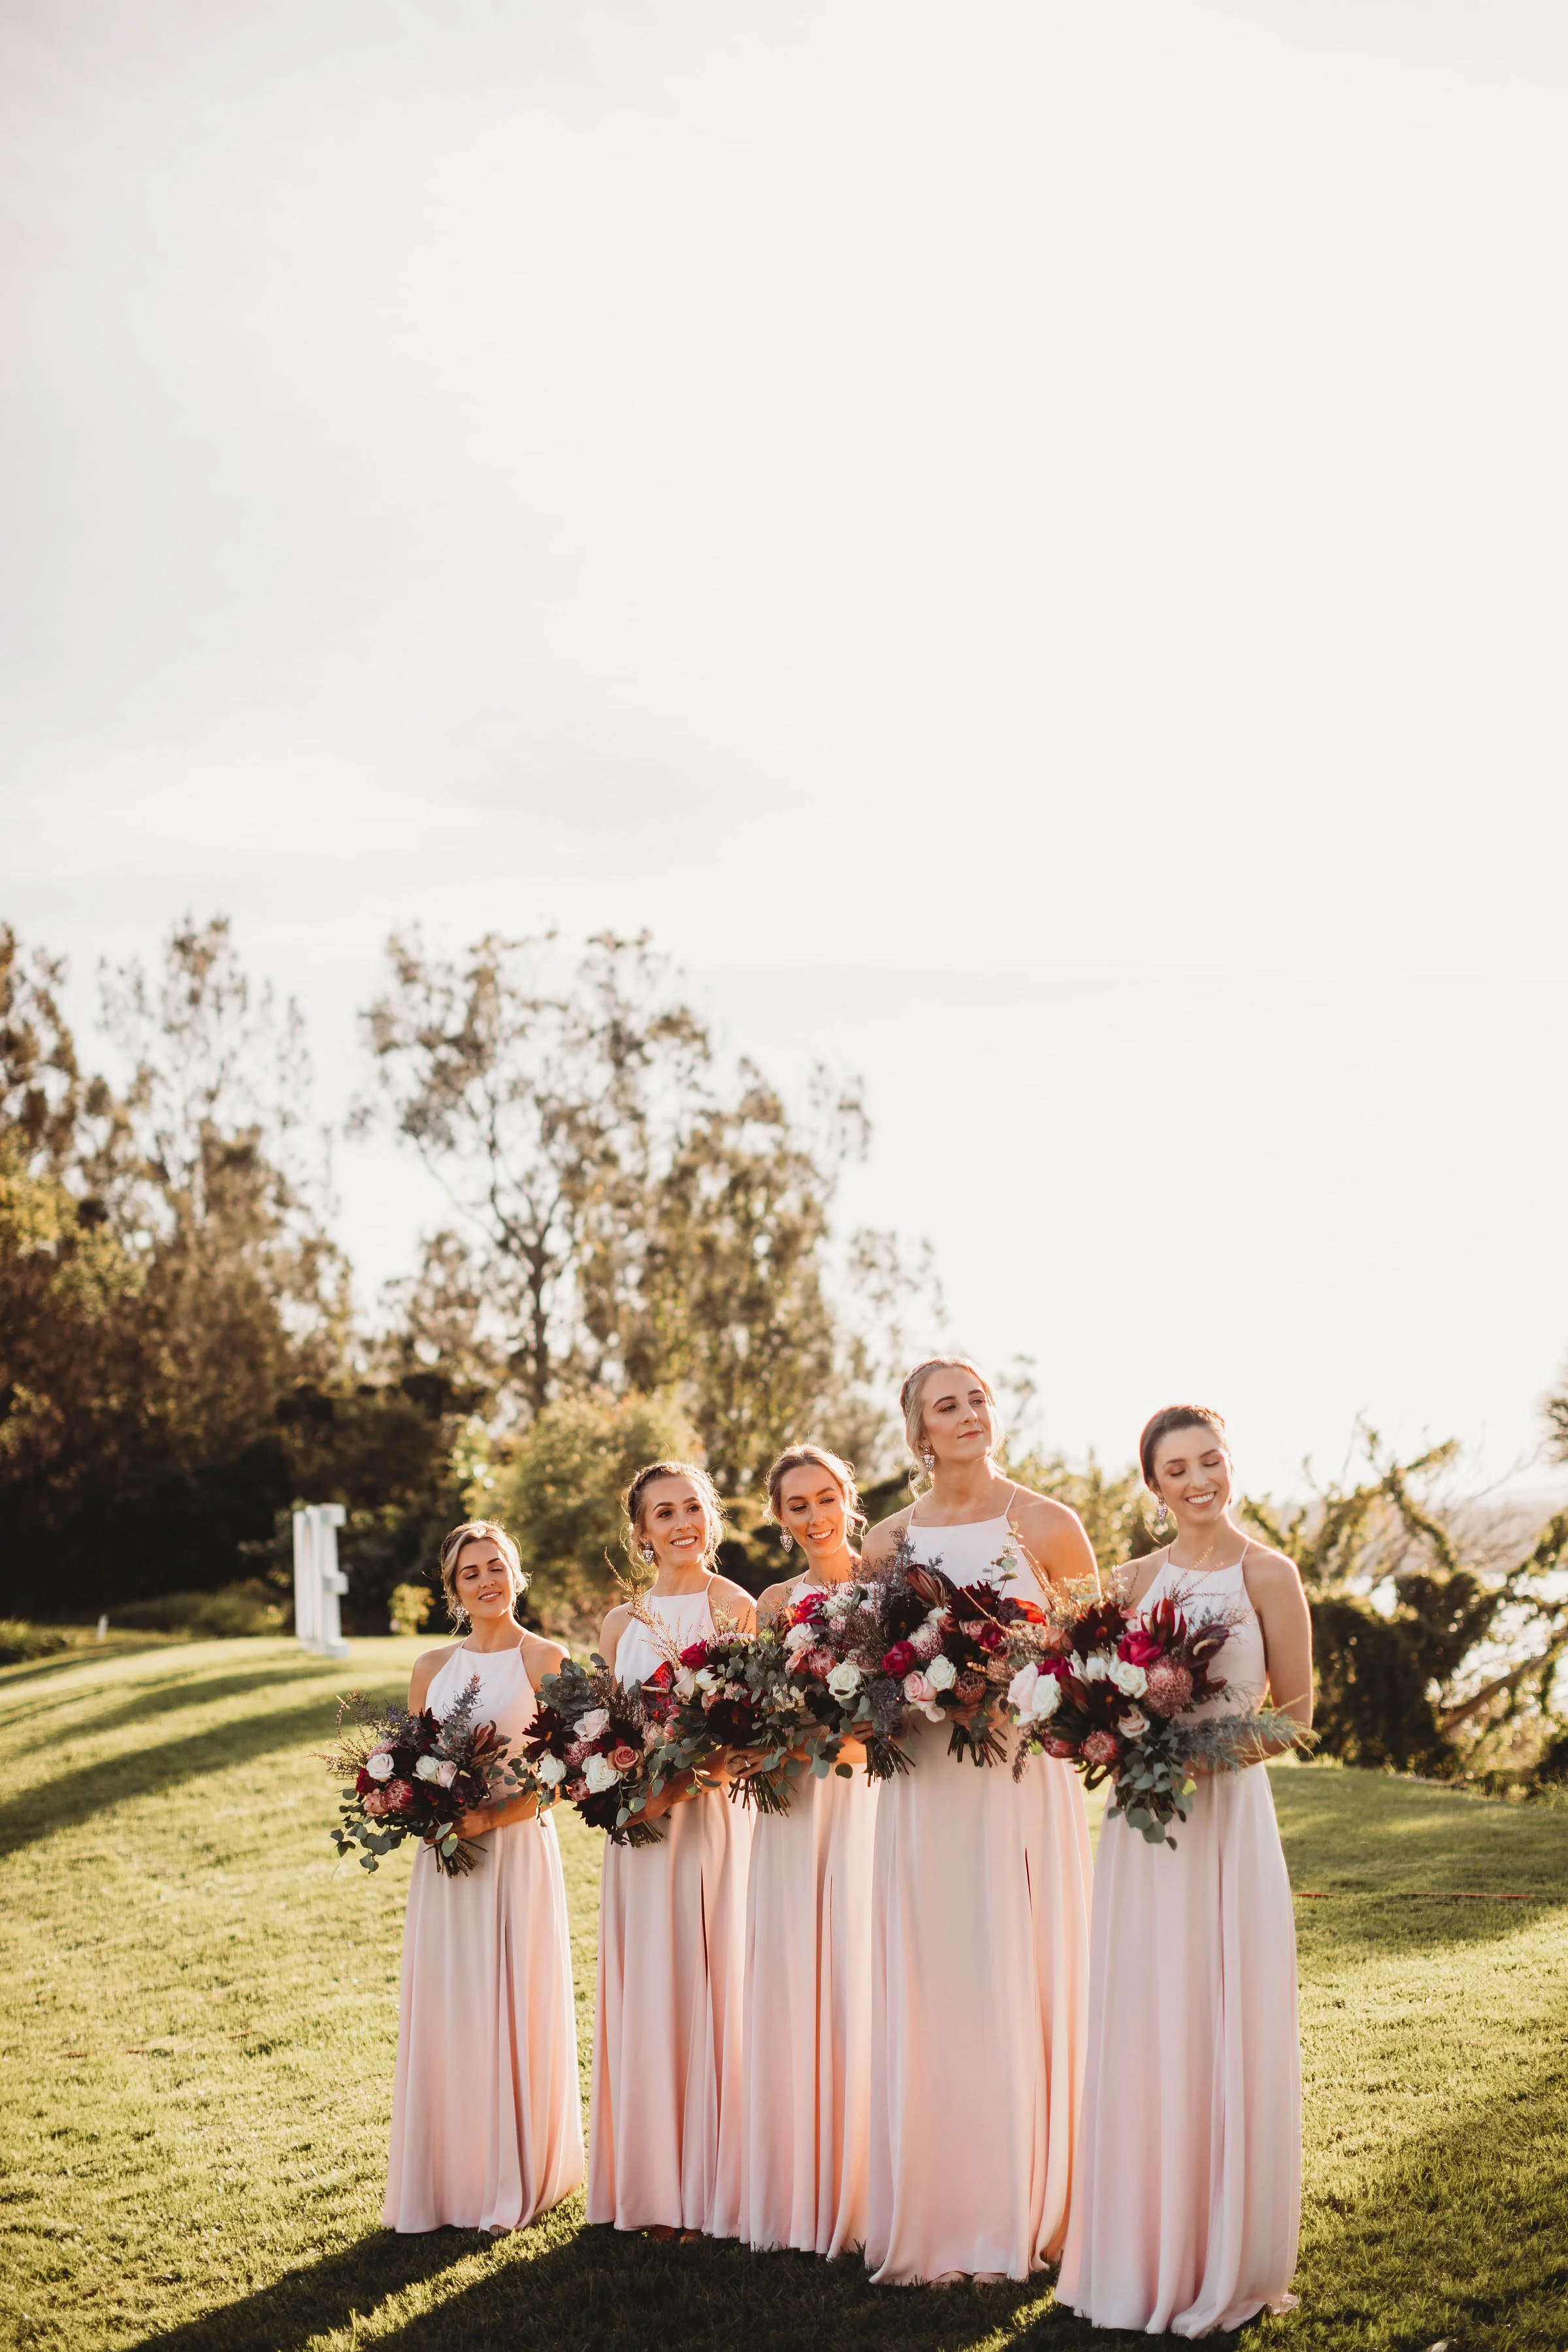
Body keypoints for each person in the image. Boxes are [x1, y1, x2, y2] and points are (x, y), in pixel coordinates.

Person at [1058, 1403, 1311, 2336]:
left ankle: (1224, 2249)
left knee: (1224, 2009)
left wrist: (1201, 1759)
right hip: (1142, 1827)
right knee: (1146, 2014)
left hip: (1230, 1818)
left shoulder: (1269, 1573)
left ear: (1229, 1465)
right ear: (1154, 1486)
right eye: (1178, 1469)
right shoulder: (1127, 1580)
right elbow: (1086, 1688)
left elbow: (1295, 1714)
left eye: (1210, 1460)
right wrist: (1103, 1730)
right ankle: (1137, 2245)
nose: (1198, 1479)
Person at [860, 1360, 1094, 2285]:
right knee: (937, 1977)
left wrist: (1008, 1685)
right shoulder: (887, 1538)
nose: (968, 1415)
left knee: (1015, 1967)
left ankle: (1032, 2202)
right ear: (918, 1432)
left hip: (1017, 1779)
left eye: (978, 1400)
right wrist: (913, 1690)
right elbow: (867, 1669)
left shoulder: (1046, 1523)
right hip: (923, 1785)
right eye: (945, 1406)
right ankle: (943, 2202)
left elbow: (1094, 1660)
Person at [384, 1520, 583, 2233]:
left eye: (497, 1566)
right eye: (471, 1573)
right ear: (453, 1588)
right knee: (451, 2006)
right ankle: (447, 2177)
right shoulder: (430, 1668)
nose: (487, 1581)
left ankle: (517, 2174)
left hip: (515, 1852)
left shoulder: (546, 1659)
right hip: (445, 1862)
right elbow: (410, 1765)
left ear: (517, 1573)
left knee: (513, 1999)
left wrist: (490, 1821)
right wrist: (415, 1808)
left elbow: (572, 1771)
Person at [587, 1461, 757, 2242]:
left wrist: (677, 1786)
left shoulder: (738, 1608)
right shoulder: (620, 1624)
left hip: (708, 1821)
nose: (682, 1522)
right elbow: (597, 1730)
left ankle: (713, 2187)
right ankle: (653, 2186)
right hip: (636, 1833)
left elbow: (747, 1733)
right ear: (642, 1532)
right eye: (665, 1513)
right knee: (648, 1984)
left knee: (709, 1979)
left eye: (694, 1507)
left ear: (711, 1519)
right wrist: (618, 1789)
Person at [739, 1445, 878, 2259]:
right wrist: (770, 1745)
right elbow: (756, 1711)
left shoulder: (890, 1583)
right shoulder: (772, 1604)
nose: (816, 1515)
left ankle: (866, 2181)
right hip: (792, 1803)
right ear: (780, 1517)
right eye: (798, 1505)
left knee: (864, 1966)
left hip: (869, 1799)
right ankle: (800, 2182)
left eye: (827, 1497)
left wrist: (839, 1745)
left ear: (848, 1499)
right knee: (795, 1972)